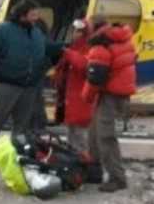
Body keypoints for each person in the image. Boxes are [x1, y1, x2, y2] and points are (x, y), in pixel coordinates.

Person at [0, 0, 50, 171]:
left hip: (29, 88)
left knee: (22, 126)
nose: (36, 17)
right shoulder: (2, 31)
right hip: (5, 86)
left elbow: (44, 55)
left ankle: (16, 158)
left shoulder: (37, 33)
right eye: (33, 14)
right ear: (23, 15)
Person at [82, 17, 137, 192]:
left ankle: (117, 178)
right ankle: (94, 171)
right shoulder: (121, 39)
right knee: (94, 132)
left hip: (109, 95)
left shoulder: (101, 46)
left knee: (105, 136)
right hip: (121, 92)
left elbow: (95, 78)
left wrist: (86, 96)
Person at [53, 18, 94, 151]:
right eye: (74, 31)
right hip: (70, 99)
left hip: (81, 99)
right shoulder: (73, 47)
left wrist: (67, 53)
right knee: (71, 132)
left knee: (80, 135)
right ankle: (74, 161)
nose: (74, 34)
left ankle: (86, 162)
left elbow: (83, 65)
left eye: (78, 31)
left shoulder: (89, 48)